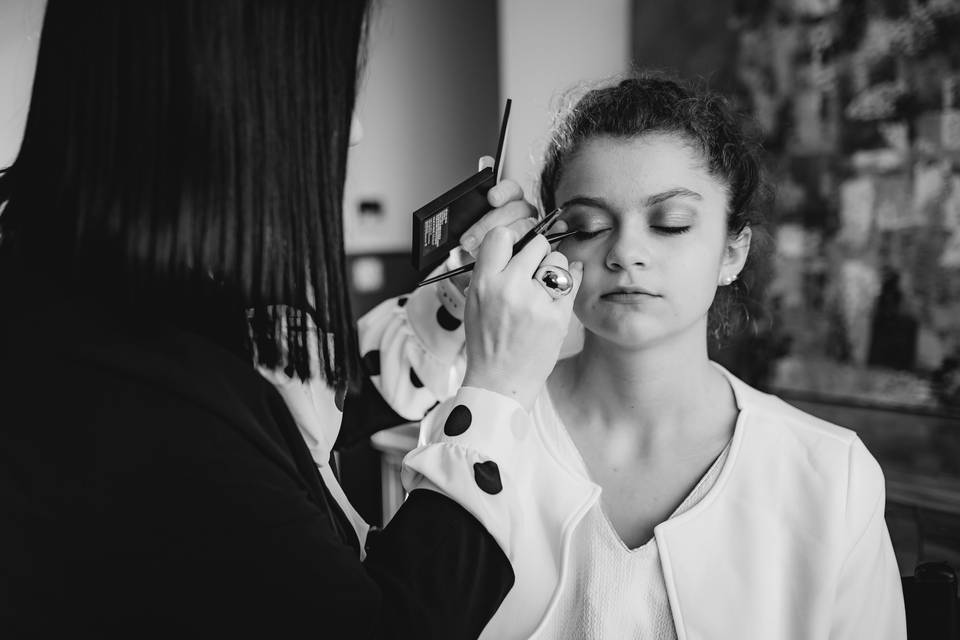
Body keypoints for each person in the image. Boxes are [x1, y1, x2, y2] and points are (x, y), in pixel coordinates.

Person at [0, 2, 583, 637]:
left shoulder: (132, 295)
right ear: (218, 88)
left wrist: (454, 311)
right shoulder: (128, 387)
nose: (353, 128)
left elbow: (336, 399)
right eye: (328, 82)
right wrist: (497, 389)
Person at [360, 74, 907, 638]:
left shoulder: (831, 475)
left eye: (670, 224)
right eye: (589, 225)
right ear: (551, 242)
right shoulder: (475, 436)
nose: (625, 252)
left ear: (732, 252)